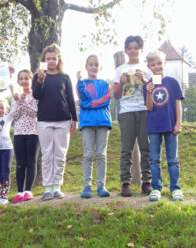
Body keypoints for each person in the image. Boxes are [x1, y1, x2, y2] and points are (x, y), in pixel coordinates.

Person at [32, 44, 77, 201]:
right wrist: (40, 80)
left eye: (54, 58)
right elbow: (36, 96)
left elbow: (71, 98)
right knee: (46, 155)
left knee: (60, 154)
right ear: (44, 60)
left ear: (59, 59)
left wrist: (75, 119)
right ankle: (47, 188)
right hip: (44, 120)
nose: (51, 61)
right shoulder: (38, 77)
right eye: (48, 59)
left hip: (63, 120)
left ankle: (57, 186)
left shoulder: (64, 77)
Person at [113, 35, 152, 197]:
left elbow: (152, 90)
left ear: (141, 49)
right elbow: (116, 96)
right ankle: (125, 183)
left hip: (144, 111)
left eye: (136, 47)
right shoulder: (120, 69)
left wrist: (143, 80)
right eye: (130, 48)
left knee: (146, 147)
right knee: (126, 149)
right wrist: (121, 82)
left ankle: (147, 182)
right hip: (126, 112)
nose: (133, 50)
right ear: (126, 50)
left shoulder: (147, 69)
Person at [143, 51, 184, 201]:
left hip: (171, 126)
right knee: (154, 159)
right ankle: (156, 188)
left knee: (173, 159)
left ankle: (175, 188)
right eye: (153, 64)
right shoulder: (148, 85)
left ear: (164, 63)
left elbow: (178, 103)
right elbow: (149, 107)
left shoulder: (173, 82)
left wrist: (178, 123)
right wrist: (148, 92)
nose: (157, 66)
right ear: (149, 66)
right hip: (154, 127)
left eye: (159, 63)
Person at [77, 55, 112, 198]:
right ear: (86, 66)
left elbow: (105, 100)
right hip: (87, 123)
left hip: (103, 122)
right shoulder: (81, 83)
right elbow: (82, 96)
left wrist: (86, 105)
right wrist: (79, 82)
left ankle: (101, 185)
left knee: (101, 154)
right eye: (91, 64)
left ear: (100, 67)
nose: (93, 67)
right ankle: (87, 186)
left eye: (96, 64)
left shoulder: (105, 84)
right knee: (88, 154)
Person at [11, 70, 39, 204]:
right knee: (20, 164)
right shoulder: (15, 97)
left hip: (33, 132)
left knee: (31, 162)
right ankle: (20, 192)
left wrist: (22, 102)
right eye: (21, 79)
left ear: (31, 80)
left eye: (26, 78)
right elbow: (14, 116)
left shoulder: (35, 95)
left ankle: (28, 190)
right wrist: (18, 101)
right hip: (19, 133)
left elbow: (34, 113)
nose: (24, 81)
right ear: (18, 82)